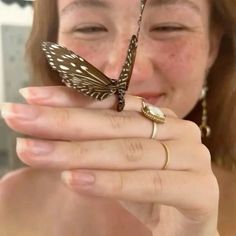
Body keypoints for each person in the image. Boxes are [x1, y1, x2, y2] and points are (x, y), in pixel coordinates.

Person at [0, 0, 235, 235]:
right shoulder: (7, 203)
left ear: (212, 47)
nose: (132, 73)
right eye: (89, 29)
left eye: (168, 27)